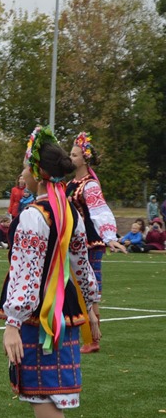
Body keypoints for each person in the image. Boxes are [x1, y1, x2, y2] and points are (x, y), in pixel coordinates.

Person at [0, 126, 99, 418]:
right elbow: (82, 265)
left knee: (42, 395)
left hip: (40, 314)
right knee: (46, 393)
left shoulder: (32, 215)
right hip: (64, 308)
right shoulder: (68, 209)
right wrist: (92, 305)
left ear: (37, 172)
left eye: (25, 165)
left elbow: (25, 275)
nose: (21, 172)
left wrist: (12, 322)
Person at [66, 132, 125, 352]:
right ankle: (87, 335)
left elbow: (100, 212)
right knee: (79, 285)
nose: (70, 158)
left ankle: (93, 338)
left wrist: (110, 238)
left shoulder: (89, 185)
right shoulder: (72, 183)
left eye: (74, 155)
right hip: (75, 241)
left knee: (91, 285)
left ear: (84, 158)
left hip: (90, 241)